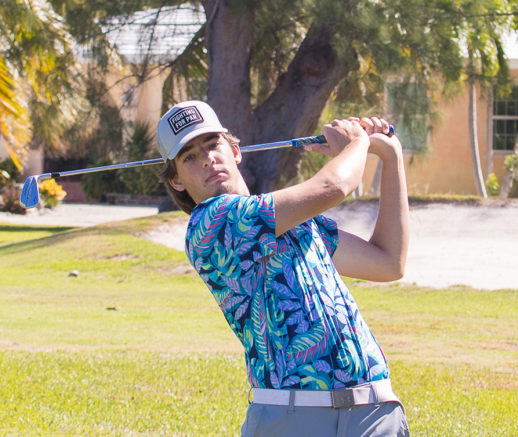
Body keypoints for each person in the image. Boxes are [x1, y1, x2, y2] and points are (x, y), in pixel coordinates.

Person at [156, 100, 410, 437]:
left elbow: (388, 261)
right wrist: (357, 143)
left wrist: (391, 157)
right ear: (176, 181)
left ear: (235, 151)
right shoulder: (211, 225)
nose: (207, 158)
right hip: (293, 416)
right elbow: (332, 187)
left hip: (373, 411)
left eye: (213, 144)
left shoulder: (296, 221)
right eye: (189, 156)